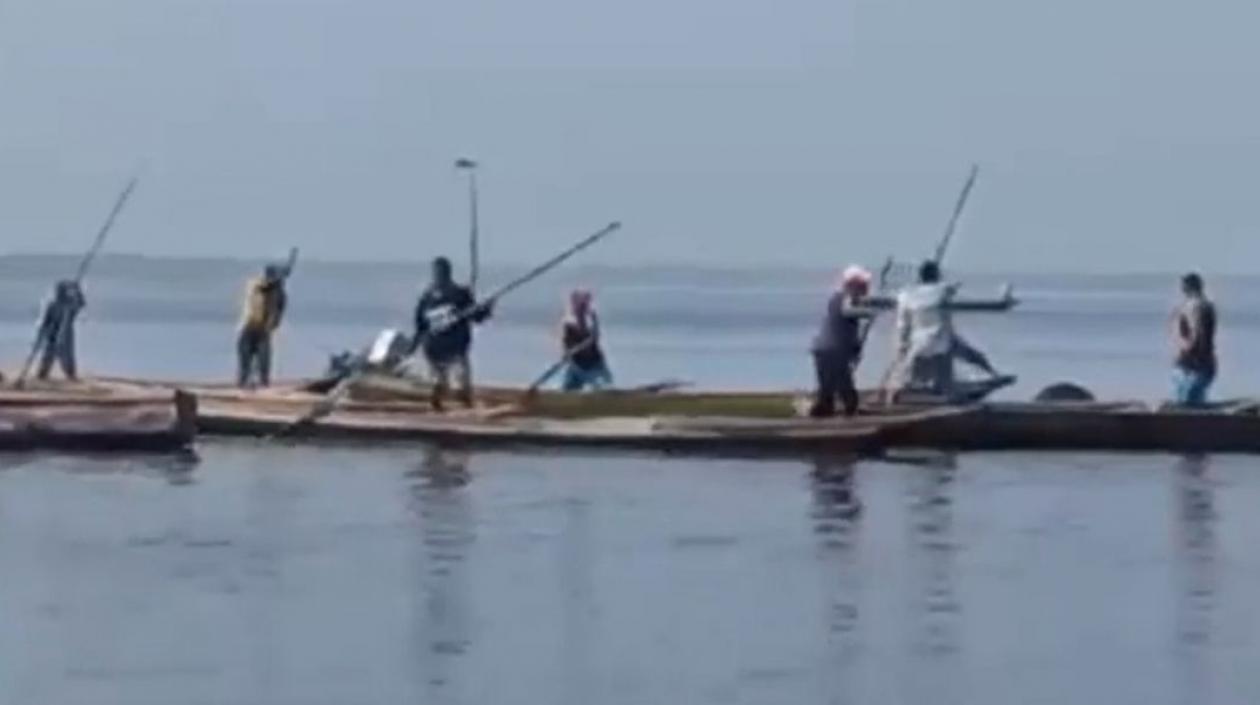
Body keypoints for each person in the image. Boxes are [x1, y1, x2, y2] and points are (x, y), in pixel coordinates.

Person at [891, 260, 1001, 398]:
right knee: (973, 357)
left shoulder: (906, 295)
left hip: (918, 343)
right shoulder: (942, 290)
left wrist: (902, 347)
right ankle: (992, 375)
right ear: (937, 276)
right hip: (941, 340)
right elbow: (951, 288)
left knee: (914, 373)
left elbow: (902, 325)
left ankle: (916, 388)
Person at [412, 257, 492, 410]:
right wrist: (486, 309)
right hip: (446, 349)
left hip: (440, 348)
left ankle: (447, 402)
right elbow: (477, 317)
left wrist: (486, 308)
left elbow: (475, 316)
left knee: (448, 383)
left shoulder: (433, 296)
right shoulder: (450, 295)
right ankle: (454, 403)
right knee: (456, 385)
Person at [809, 266, 875, 417]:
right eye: (863, 285)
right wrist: (870, 313)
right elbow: (849, 311)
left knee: (827, 393)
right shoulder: (844, 298)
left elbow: (848, 330)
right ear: (853, 285)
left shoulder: (840, 298)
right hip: (832, 350)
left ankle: (823, 415)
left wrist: (855, 348)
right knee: (846, 393)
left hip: (825, 349)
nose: (866, 288)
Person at [237, 264, 288, 388]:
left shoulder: (279, 293)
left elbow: (279, 312)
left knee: (264, 368)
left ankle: (263, 389)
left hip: (263, 333)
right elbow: (264, 286)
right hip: (248, 330)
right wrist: (277, 280)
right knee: (245, 369)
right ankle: (242, 388)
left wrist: (274, 324)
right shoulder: (254, 284)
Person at [1171, 272, 1216, 406]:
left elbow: (1198, 335)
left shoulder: (1198, 306)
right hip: (1190, 364)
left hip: (1195, 364)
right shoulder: (1196, 305)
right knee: (1188, 403)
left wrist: (1188, 351)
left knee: (1187, 404)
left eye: (1184, 286)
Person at [559, 289, 613, 391]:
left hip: (594, 365)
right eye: (578, 305)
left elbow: (595, 336)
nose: (581, 308)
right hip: (577, 365)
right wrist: (567, 353)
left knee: (603, 387)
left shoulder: (591, 318)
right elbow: (566, 343)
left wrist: (590, 338)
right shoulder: (568, 322)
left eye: (583, 305)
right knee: (567, 389)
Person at [36, 280, 86, 380]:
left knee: (67, 356)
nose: (59, 293)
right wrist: (42, 333)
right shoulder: (52, 305)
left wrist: (78, 290)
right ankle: (42, 374)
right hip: (52, 333)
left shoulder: (70, 305)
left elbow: (81, 304)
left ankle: (71, 375)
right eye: (58, 291)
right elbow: (46, 320)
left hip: (65, 335)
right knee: (48, 355)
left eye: (61, 291)